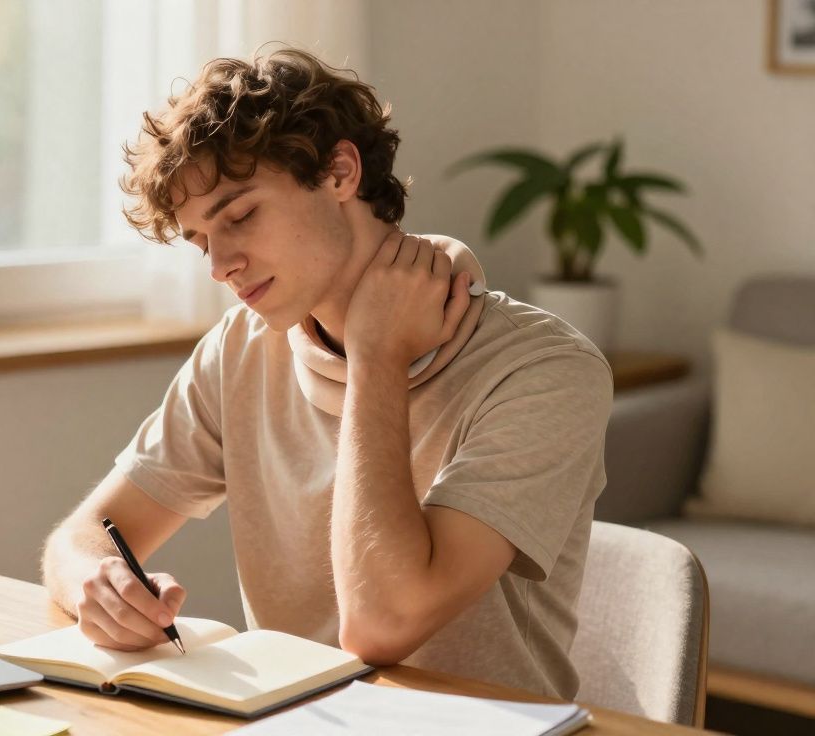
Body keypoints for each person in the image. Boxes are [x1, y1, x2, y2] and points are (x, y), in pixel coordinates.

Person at [40, 46, 612, 700]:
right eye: (201, 240)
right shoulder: (242, 347)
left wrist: (376, 356)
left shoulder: (544, 370)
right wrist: (99, 583)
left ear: (340, 172)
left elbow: (381, 625)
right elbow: (80, 536)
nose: (220, 265)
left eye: (240, 216)